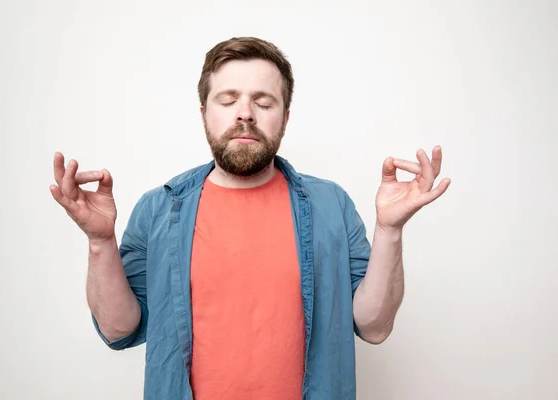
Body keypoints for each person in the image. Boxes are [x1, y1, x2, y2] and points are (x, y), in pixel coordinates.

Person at [50, 36, 450, 400]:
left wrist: (390, 229)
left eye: (263, 101)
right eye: (228, 100)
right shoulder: (159, 209)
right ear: (205, 112)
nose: (246, 114)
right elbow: (119, 329)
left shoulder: (332, 205)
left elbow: (374, 326)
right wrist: (100, 242)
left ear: (285, 117)